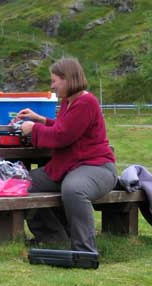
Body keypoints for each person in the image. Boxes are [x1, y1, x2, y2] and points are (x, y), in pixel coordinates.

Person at [17, 57, 117, 252]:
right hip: (69, 166)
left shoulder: (86, 102)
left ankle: (84, 250)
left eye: (54, 81)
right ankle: (54, 238)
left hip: (96, 167)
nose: (52, 86)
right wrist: (41, 120)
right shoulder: (68, 102)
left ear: (68, 79)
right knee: (22, 184)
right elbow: (65, 127)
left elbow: (63, 136)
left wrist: (34, 129)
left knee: (74, 189)